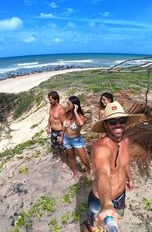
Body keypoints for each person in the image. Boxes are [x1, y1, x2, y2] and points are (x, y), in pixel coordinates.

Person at [84, 101, 142, 231]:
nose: (118, 125)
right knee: (92, 227)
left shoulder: (125, 140)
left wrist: (130, 178)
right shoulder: (101, 148)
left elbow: (124, 164)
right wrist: (107, 204)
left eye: (122, 120)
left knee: (116, 219)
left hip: (121, 195)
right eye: (112, 122)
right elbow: (102, 174)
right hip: (101, 200)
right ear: (105, 125)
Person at [59, 96, 91, 178]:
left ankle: (88, 168)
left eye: (69, 104)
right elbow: (64, 126)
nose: (67, 105)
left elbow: (80, 123)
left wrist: (75, 111)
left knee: (83, 159)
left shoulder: (80, 115)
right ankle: (75, 171)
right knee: (72, 157)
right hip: (67, 139)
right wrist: (62, 137)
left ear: (75, 105)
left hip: (76, 140)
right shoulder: (68, 114)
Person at [47, 91, 66, 159]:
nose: (50, 102)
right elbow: (50, 117)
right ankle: (60, 156)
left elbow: (65, 124)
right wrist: (48, 127)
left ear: (56, 99)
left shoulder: (61, 110)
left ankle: (66, 159)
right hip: (53, 130)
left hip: (60, 131)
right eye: (49, 100)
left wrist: (62, 136)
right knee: (56, 146)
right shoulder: (51, 107)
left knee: (63, 146)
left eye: (51, 100)